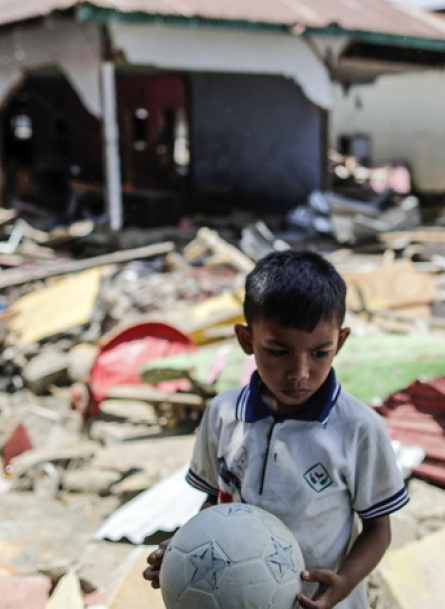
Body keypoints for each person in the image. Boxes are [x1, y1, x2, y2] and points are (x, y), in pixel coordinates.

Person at [142, 250, 409, 609]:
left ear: (340, 343)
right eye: (278, 351)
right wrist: (183, 553)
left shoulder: (358, 429)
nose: (300, 372)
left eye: (319, 353)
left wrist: (344, 582)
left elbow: (378, 529)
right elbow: (214, 504)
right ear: (246, 340)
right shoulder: (223, 414)